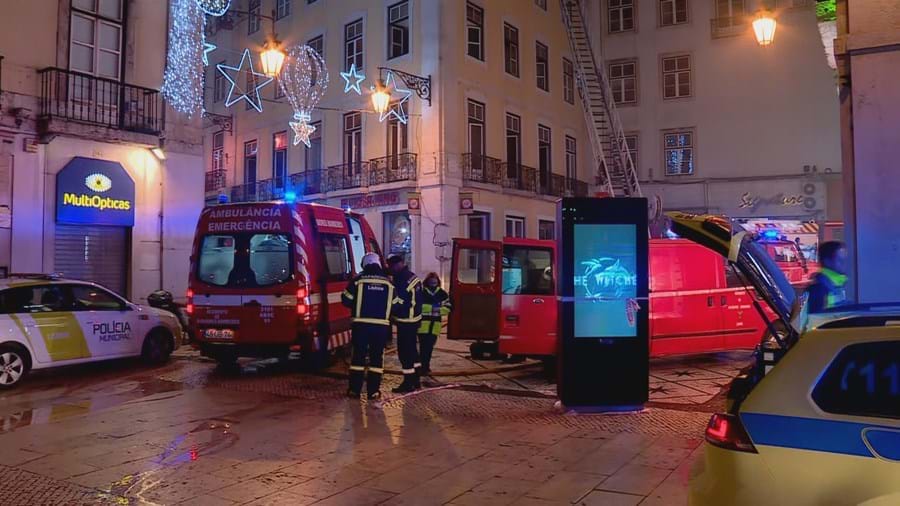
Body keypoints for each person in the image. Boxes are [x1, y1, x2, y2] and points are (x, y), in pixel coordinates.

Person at [341, 252, 394, 401]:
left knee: (358, 358)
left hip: (361, 326)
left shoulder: (357, 281)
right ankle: (373, 391)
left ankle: (354, 390)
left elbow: (345, 300)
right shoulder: (388, 282)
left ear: (364, 264)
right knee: (376, 360)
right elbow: (396, 305)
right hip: (380, 327)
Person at [387, 254, 423, 393]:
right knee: (413, 351)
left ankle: (408, 383)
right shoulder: (412, 276)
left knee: (405, 353)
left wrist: (388, 309)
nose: (392, 268)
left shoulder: (402, 280)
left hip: (405, 321)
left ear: (400, 264)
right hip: (414, 320)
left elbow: (399, 302)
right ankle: (416, 379)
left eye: (393, 265)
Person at [418, 273, 452, 377]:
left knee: (429, 348)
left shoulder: (442, 294)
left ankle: (425, 367)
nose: (433, 283)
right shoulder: (422, 292)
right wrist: (434, 308)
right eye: (431, 281)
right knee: (424, 347)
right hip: (423, 326)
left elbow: (448, 308)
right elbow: (418, 307)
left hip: (435, 326)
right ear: (427, 281)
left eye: (435, 281)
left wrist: (434, 308)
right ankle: (423, 367)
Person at [807, 241, 848, 313]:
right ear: (827, 261)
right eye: (840, 260)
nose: (845, 263)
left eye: (845, 259)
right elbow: (815, 319)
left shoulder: (840, 282)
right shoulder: (818, 288)